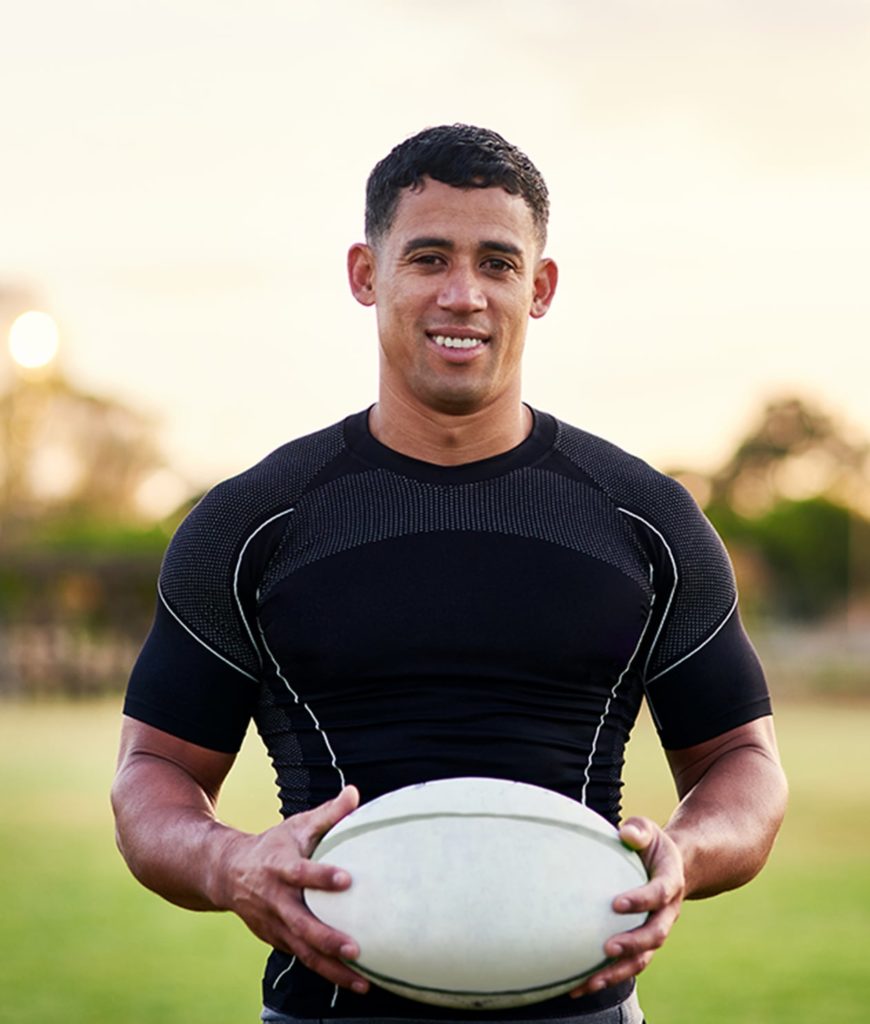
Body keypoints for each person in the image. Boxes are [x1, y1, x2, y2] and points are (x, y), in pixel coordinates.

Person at [112, 124, 788, 1024]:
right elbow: (152, 773)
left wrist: (688, 854)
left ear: (539, 287)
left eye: (498, 264)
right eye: (429, 258)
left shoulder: (646, 520)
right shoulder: (251, 523)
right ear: (366, 274)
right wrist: (228, 862)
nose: (463, 294)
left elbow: (744, 762)